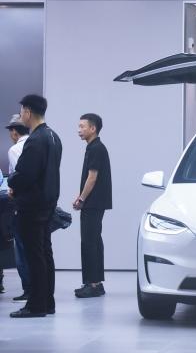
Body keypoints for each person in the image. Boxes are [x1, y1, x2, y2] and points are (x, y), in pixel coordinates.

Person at [7, 95, 62, 318]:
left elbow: (25, 174)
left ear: (28, 112)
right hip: (48, 203)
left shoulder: (36, 139)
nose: (21, 116)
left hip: (32, 205)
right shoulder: (54, 136)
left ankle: (37, 305)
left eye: (21, 111)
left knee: (34, 256)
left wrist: (12, 183)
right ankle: (47, 302)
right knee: (45, 254)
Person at [73, 113, 112, 299]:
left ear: (93, 128)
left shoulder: (96, 148)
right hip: (95, 202)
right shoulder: (94, 147)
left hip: (93, 202)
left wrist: (81, 199)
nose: (79, 130)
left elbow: (92, 177)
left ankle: (94, 284)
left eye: (82, 126)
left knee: (90, 242)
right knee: (94, 240)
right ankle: (95, 282)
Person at [5, 114, 32, 300]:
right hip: (39, 202)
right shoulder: (36, 143)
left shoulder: (15, 150)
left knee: (21, 248)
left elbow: (19, 176)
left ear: (14, 132)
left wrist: (12, 190)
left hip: (21, 203)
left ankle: (28, 290)